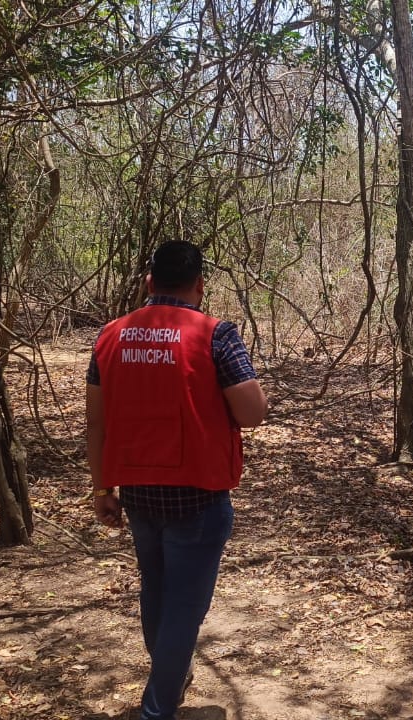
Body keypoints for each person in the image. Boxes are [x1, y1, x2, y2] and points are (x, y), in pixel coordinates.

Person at [85, 240, 268, 720]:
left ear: (149, 282)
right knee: (185, 607)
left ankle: (171, 675)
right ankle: (157, 709)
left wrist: (102, 489)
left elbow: (96, 424)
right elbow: (252, 413)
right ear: (199, 285)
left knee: (157, 590)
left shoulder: (109, 336)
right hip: (198, 495)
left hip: (137, 493)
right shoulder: (216, 335)